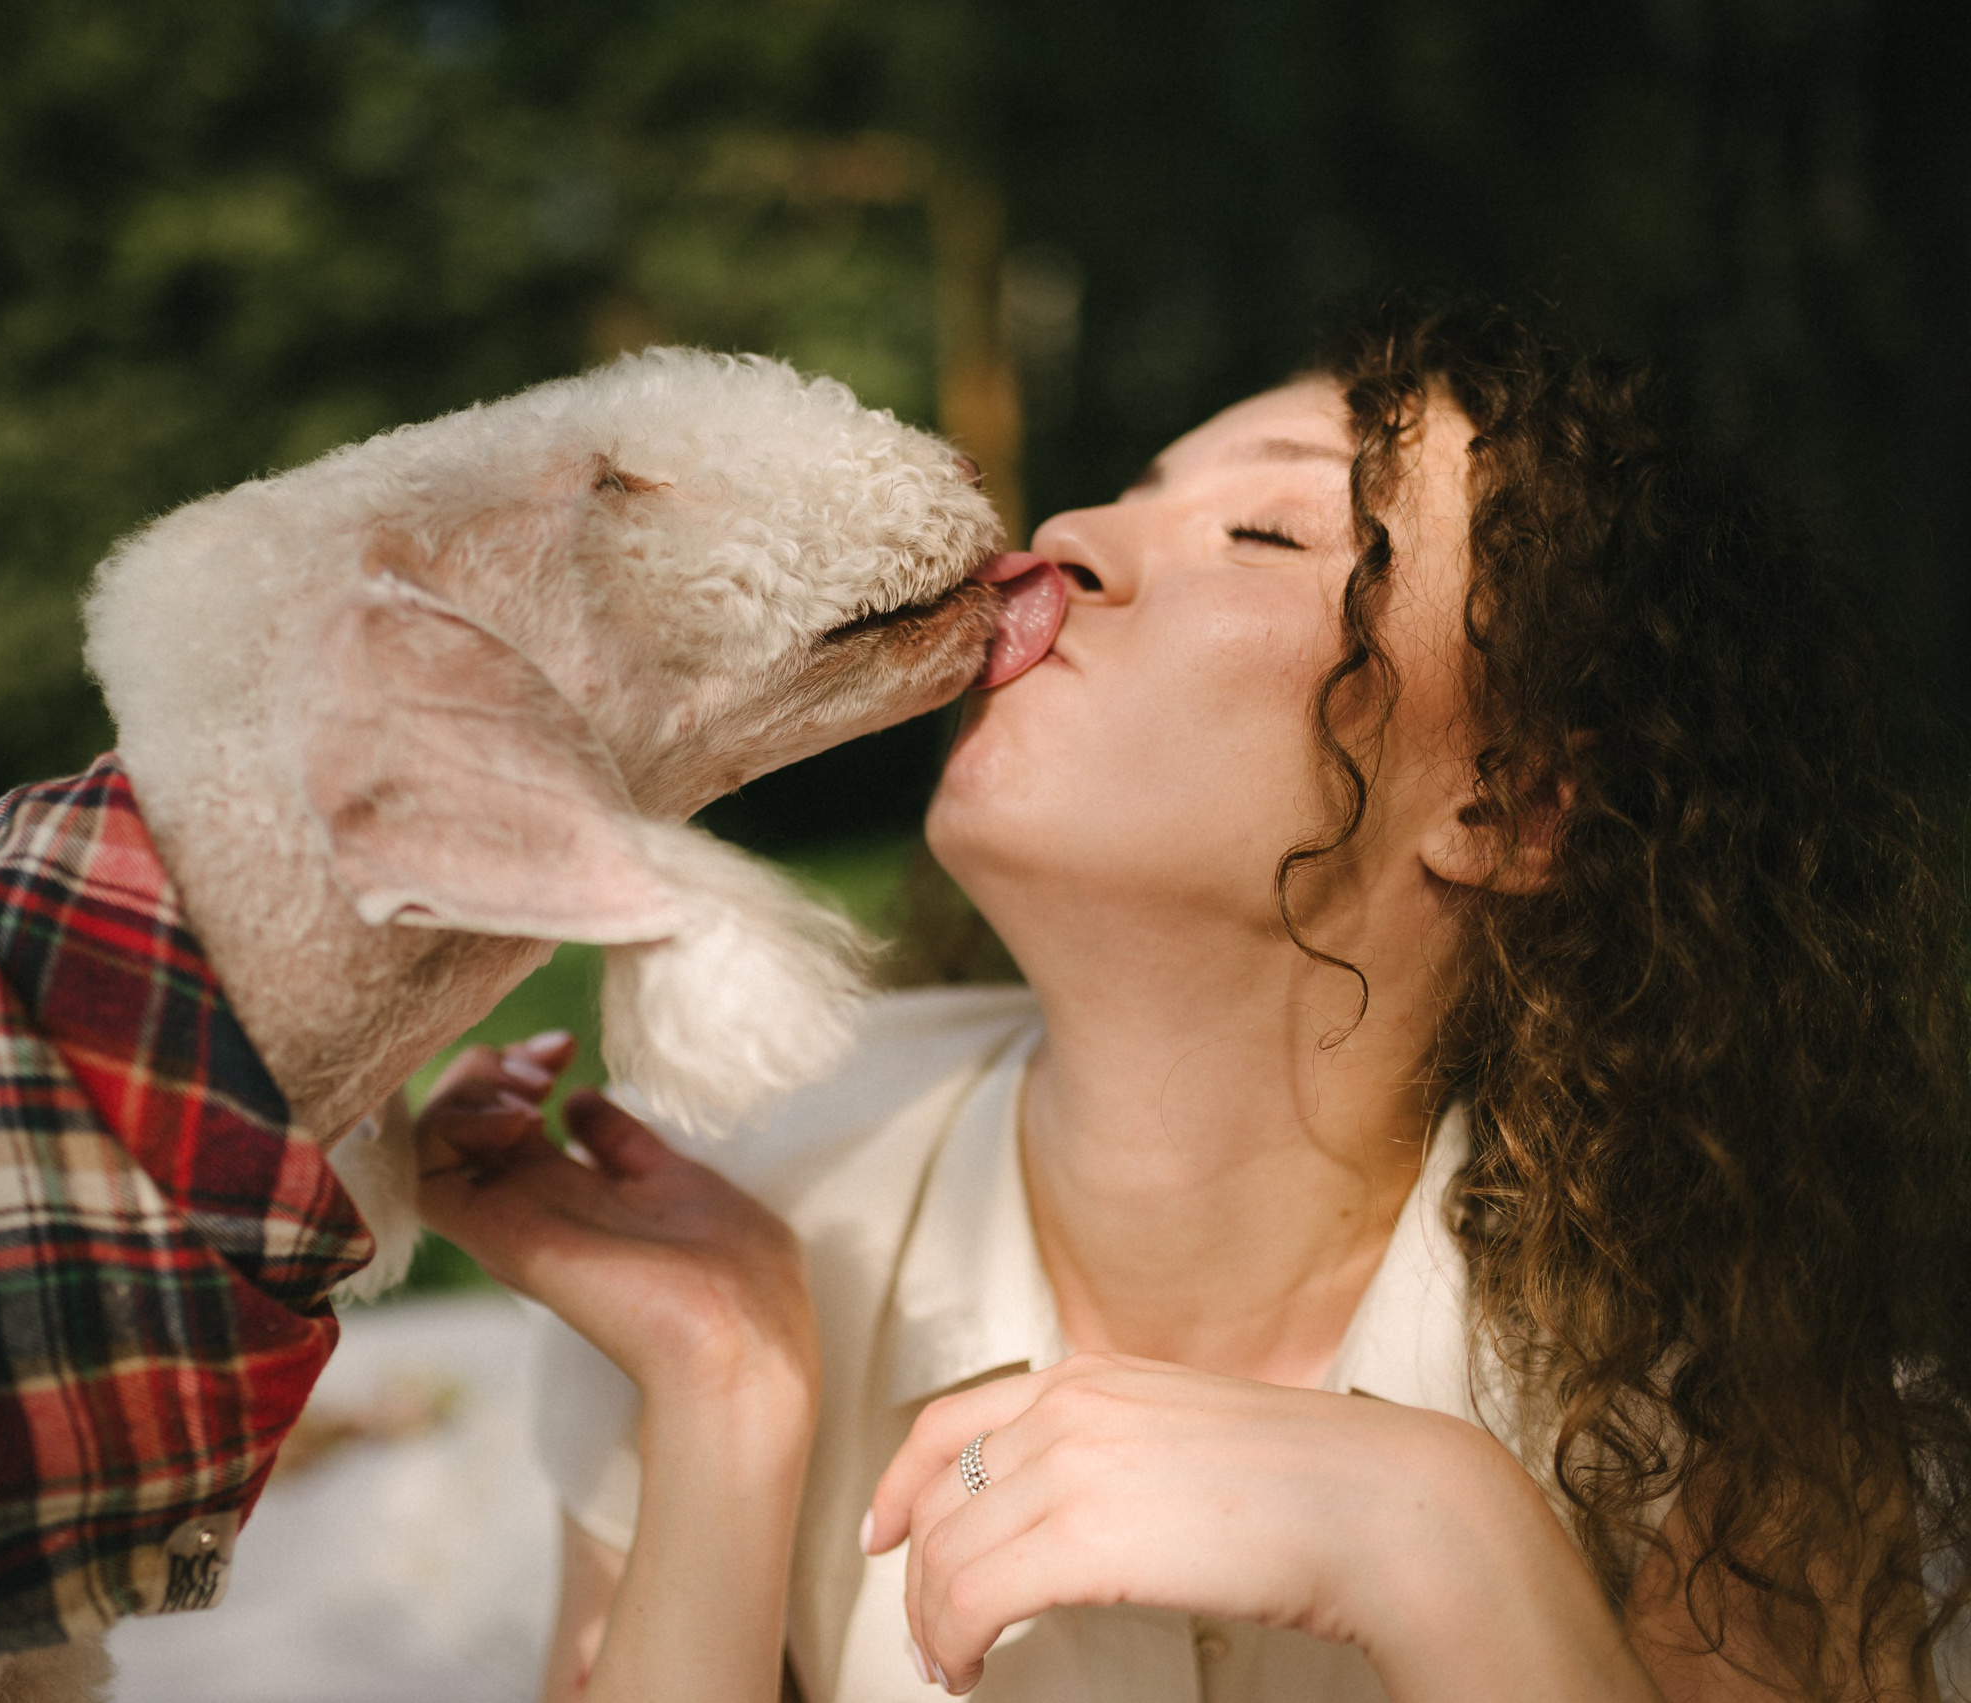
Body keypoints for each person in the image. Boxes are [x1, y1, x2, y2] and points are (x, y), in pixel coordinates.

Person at [413, 298, 1971, 1702]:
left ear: (1505, 808)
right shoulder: (754, 1190)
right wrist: (726, 1390)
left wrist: (1449, 1548)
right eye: (1136, 490)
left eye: (1269, 539)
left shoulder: (1715, 1326)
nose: (1071, 530)